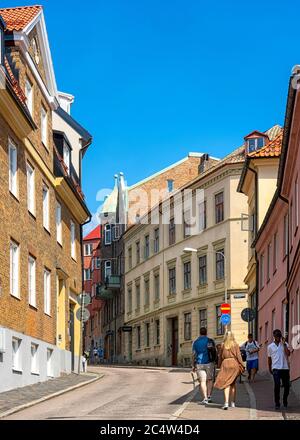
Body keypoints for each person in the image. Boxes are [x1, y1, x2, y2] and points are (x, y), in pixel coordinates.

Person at [214, 331, 245, 410]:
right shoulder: (235, 345)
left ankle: (226, 403)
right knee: (233, 384)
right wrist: (242, 365)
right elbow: (239, 356)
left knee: (226, 384)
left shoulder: (222, 345)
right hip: (234, 364)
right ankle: (233, 403)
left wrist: (219, 366)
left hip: (225, 364)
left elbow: (220, 357)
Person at [192, 327, 217, 405]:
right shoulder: (210, 341)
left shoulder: (195, 342)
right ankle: (209, 396)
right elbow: (214, 351)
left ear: (200, 333)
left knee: (202, 381)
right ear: (206, 333)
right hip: (209, 363)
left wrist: (193, 365)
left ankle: (205, 398)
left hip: (199, 363)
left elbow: (193, 354)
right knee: (209, 380)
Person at [268, 329, 291, 410]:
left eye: (279, 336)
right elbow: (269, 358)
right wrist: (270, 368)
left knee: (287, 386)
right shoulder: (270, 347)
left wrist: (284, 344)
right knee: (277, 385)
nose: (278, 337)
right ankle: (277, 403)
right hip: (276, 369)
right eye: (276, 336)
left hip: (285, 368)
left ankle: (285, 400)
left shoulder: (285, 344)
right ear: (274, 336)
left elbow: (288, 354)